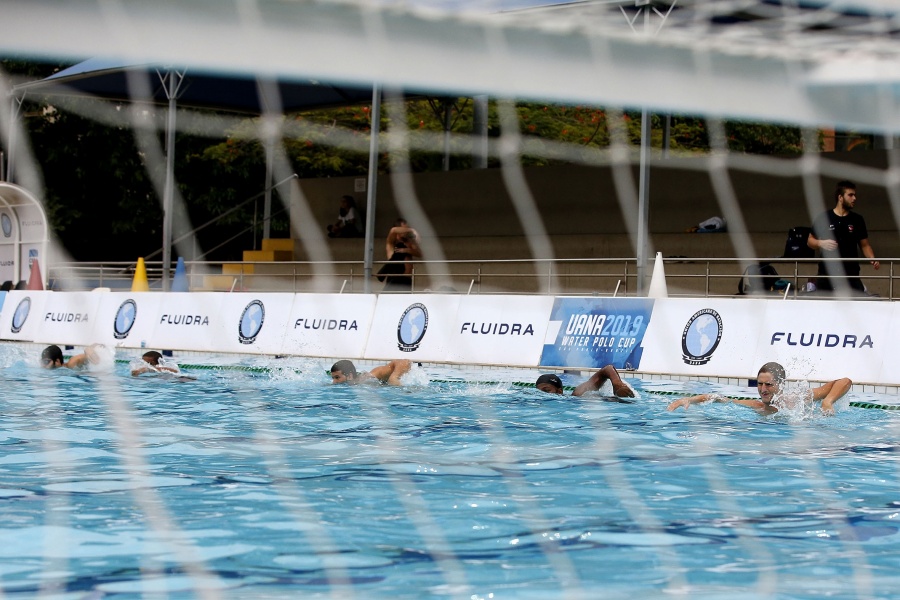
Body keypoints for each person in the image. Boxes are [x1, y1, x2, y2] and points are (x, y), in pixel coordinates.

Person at [666, 362, 851, 415]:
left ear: (780, 385)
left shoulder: (798, 399)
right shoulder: (758, 406)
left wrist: (828, 401)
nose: (763, 389)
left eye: (768, 384)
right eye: (759, 384)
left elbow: (845, 381)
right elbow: (718, 398)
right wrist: (688, 400)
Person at [807, 180, 879, 294]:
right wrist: (821, 243)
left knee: (855, 308)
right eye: (850, 195)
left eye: (855, 195)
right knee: (824, 309)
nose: (854, 198)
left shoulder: (857, 220)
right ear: (840, 197)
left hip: (851, 275)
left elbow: (865, 245)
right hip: (827, 275)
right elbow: (810, 241)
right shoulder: (824, 217)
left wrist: (872, 258)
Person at [535, 365, 635, 399]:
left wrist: (617, 384)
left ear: (559, 391)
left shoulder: (577, 393)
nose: (542, 395)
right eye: (539, 392)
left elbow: (607, 369)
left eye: (546, 390)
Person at [330, 359, 411, 386]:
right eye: (333, 378)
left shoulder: (368, 377)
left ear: (350, 376)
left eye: (337, 377)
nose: (334, 382)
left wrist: (394, 378)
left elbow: (404, 362)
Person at [40, 343, 107, 369]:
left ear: (57, 361)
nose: (44, 365)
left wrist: (90, 350)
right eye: (42, 362)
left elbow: (89, 353)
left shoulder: (72, 362)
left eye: (46, 362)